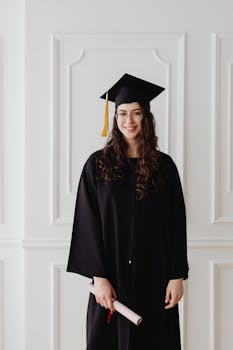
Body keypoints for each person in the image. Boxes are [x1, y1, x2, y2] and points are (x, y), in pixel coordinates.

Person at [66, 73, 189, 350]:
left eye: (135, 113)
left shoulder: (164, 167)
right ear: (114, 117)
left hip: (155, 277)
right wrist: (99, 278)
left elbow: (176, 224)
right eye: (122, 113)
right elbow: (88, 223)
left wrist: (176, 275)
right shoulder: (97, 166)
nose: (129, 121)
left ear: (146, 117)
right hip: (112, 280)